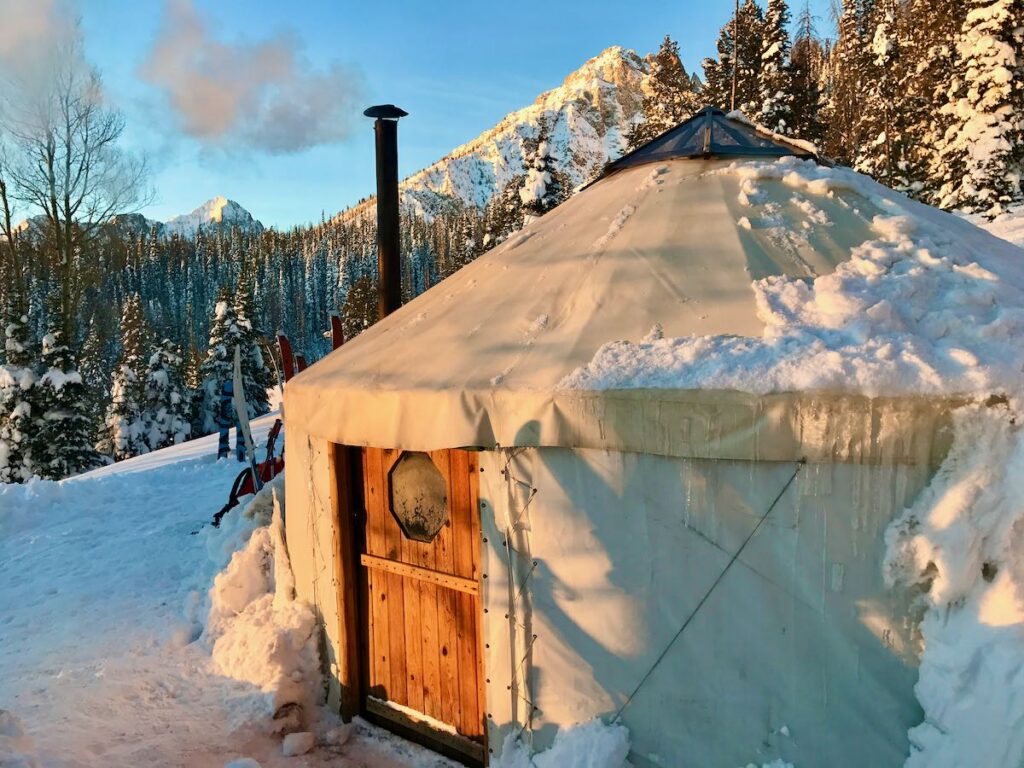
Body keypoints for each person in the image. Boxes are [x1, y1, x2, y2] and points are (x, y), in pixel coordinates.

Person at [215, 378, 245, 461]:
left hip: (231, 384)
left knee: (236, 423)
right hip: (231, 385)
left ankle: (224, 452)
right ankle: (238, 451)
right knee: (235, 423)